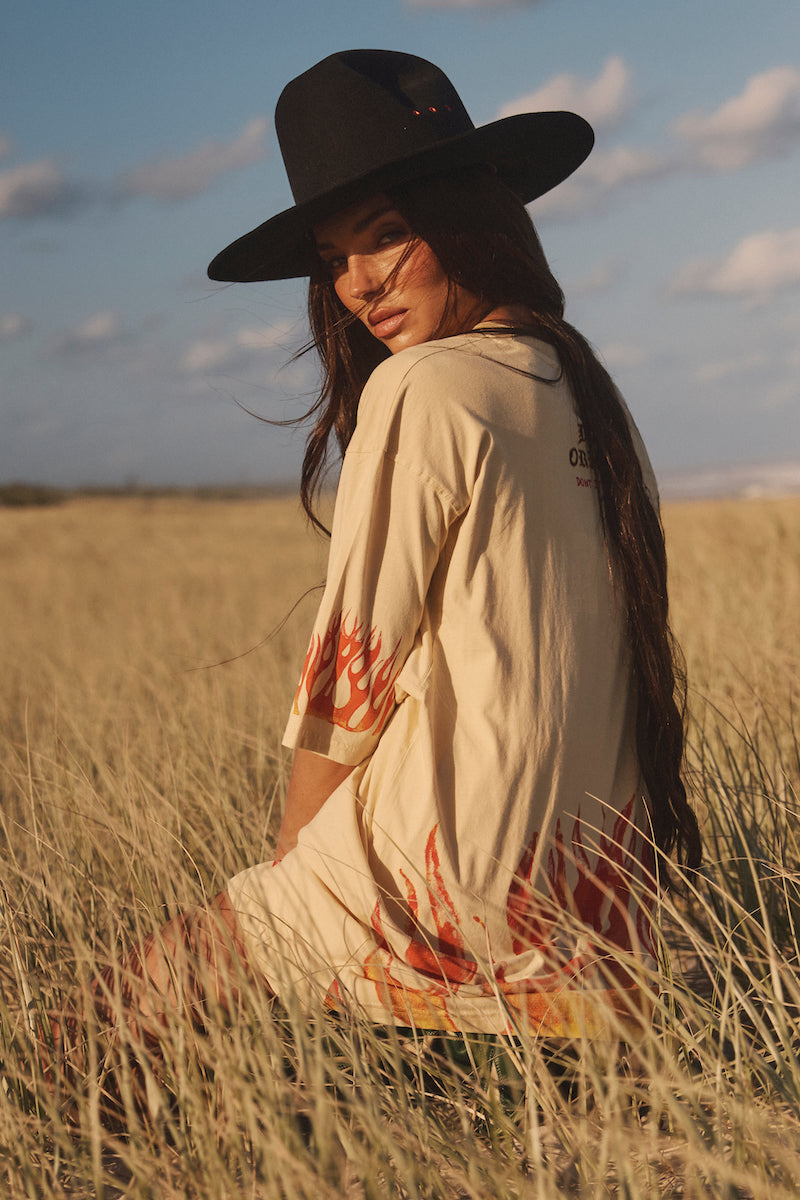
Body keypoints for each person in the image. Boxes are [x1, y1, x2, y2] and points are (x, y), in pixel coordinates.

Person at [47, 49, 701, 1112]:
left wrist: (286, 899)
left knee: (91, 1034)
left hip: (439, 873)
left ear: (467, 220)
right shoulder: (579, 383)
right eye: (334, 256)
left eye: (386, 235)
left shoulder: (424, 387)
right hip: (589, 896)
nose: (357, 285)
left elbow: (348, 678)